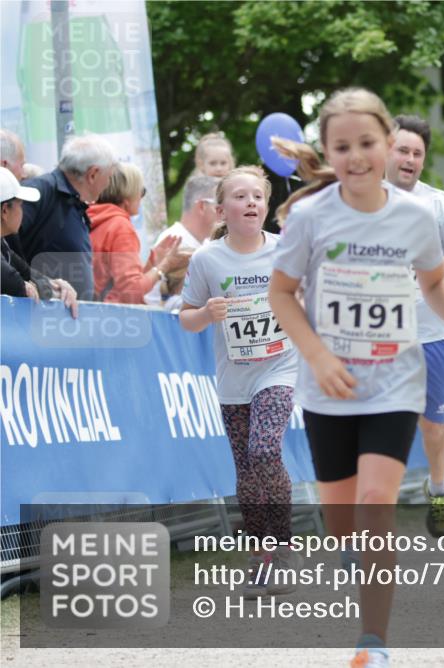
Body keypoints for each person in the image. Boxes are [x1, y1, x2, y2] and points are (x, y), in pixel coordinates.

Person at [268, 88, 444, 668]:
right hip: (328, 387)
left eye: (367, 143)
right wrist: (317, 355)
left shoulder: (416, 215)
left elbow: (436, 281)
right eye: (343, 146)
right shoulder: (310, 216)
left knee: (377, 504)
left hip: (394, 380)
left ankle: (374, 643)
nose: (356, 156)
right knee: (345, 527)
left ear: (389, 144)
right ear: (328, 152)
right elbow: (281, 294)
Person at [179, 166, 301, 598]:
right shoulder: (207, 260)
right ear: (220, 209)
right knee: (246, 469)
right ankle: (260, 558)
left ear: (266, 206)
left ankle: (283, 550)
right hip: (233, 378)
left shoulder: (285, 251)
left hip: (279, 368)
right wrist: (206, 314)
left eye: (257, 197)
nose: (251, 203)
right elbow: (186, 318)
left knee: (264, 450)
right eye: (240, 196)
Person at [384, 114, 444, 538]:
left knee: (433, 426)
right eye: (402, 150)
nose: (410, 159)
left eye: (418, 153)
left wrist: (428, 263)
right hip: (373, 339)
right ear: (384, 149)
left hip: (431, 335)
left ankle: (437, 487)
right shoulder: (352, 201)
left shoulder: (439, 205)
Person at [14, 134, 117, 300]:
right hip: (33, 314)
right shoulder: (39, 191)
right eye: (109, 176)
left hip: (60, 317)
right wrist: (40, 282)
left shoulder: (75, 202)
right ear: (93, 174)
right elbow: (5, 248)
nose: (108, 184)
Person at [89, 163, 190, 303]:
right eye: (141, 191)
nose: (142, 197)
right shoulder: (120, 227)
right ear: (127, 197)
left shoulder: (94, 219)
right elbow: (132, 291)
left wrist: (152, 263)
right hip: (111, 316)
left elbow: (120, 283)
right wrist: (164, 266)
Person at [1, 167, 78, 316]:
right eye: (21, 205)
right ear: (5, 210)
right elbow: (10, 279)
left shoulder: (3, 245)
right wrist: (21, 285)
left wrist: (56, 287)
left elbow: (26, 271)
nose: (23, 212)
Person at [143, 175, 220, 307]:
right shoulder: (174, 242)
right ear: (202, 206)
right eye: (220, 206)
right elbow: (153, 300)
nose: (226, 212)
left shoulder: (206, 243)